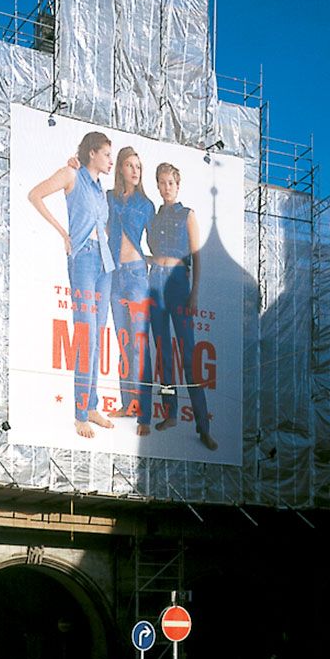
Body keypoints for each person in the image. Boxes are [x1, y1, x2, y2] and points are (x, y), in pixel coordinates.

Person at [28, 132, 117, 439]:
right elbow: (35, 195)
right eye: (106, 154)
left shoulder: (100, 189)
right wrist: (62, 233)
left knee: (97, 339)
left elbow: (101, 224)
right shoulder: (71, 174)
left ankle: (91, 405)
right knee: (85, 336)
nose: (110, 160)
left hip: (106, 264)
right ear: (92, 153)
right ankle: (80, 414)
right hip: (83, 260)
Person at [147, 162, 217, 450]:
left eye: (171, 183)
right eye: (162, 183)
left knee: (188, 356)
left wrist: (195, 293)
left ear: (178, 185)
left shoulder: (188, 215)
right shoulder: (155, 216)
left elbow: (197, 256)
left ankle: (203, 426)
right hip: (156, 283)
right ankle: (170, 412)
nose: (166, 188)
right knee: (164, 354)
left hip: (178, 283)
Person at [104, 147, 156, 435]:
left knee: (139, 343)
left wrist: (153, 259)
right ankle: (128, 404)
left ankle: (143, 410)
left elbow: (156, 241)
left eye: (138, 166)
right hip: (114, 275)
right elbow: (101, 229)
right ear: (120, 169)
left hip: (136, 276)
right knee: (124, 342)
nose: (135, 170)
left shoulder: (146, 204)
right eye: (129, 165)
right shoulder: (109, 199)